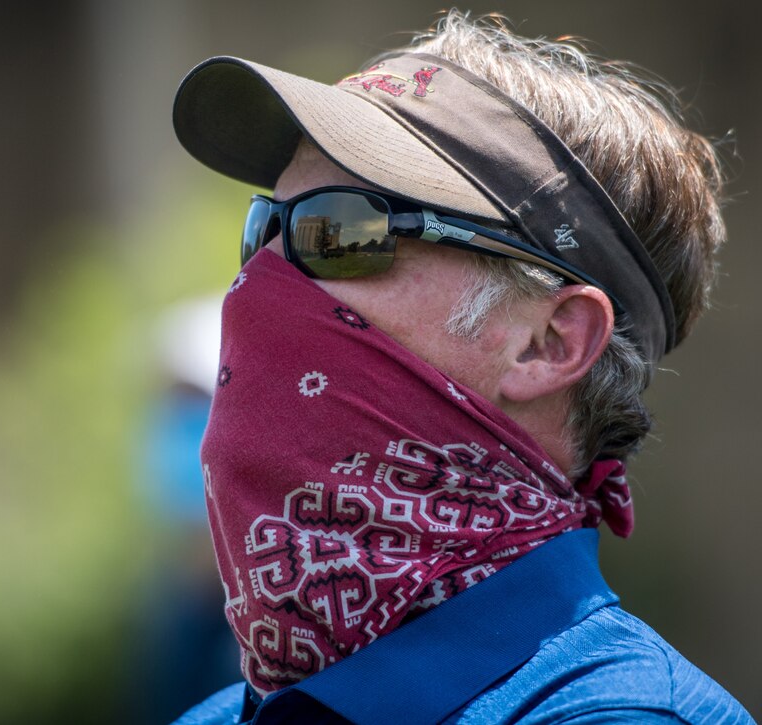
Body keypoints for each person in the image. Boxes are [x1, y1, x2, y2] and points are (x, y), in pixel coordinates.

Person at [168, 11, 753, 725]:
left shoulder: (620, 713)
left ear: (550, 342)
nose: (259, 284)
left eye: (343, 230)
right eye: (265, 229)